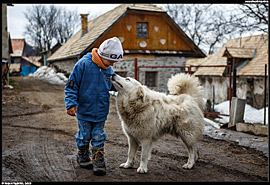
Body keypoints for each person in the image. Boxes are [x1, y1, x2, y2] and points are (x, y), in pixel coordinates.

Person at [64, 37, 123, 176]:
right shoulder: (83, 64)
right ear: (103, 55)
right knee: (84, 136)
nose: (113, 64)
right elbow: (71, 86)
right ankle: (83, 155)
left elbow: (112, 87)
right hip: (84, 111)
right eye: (111, 61)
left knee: (99, 136)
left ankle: (98, 160)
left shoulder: (108, 69)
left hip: (101, 112)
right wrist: (71, 104)